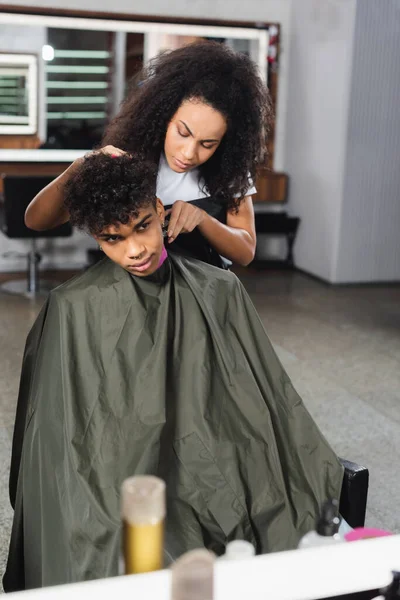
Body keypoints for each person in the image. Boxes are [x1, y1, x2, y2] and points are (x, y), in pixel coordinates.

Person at [4, 154, 344, 591]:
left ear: (160, 209)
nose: (135, 249)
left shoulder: (219, 289)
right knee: (101, 533)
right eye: (113, 238)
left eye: (142, 226)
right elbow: (58, 444)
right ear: (95, 237)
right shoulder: (71, 309)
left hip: (205, 466)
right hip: (112, 477)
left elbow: (261, 406)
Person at [24, 41, 273, 268]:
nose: (188, 154)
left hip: (204, 299)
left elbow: (245, 252)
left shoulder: (229, 171)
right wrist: (84, 165)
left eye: (207, 144)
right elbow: (37, 221)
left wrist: (204, 221)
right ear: (163, 115)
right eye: (183, 133)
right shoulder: (127, 163)